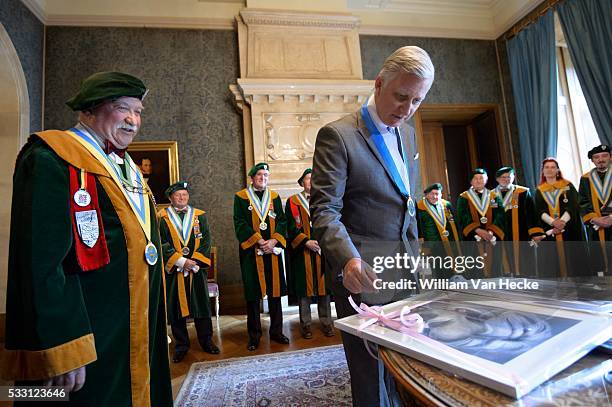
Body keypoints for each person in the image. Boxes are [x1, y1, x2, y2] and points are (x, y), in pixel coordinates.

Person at [1, 72, 172, 405]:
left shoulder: (128, 168)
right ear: (89, 110)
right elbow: (40, 262)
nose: (133, 121)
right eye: (123, 108)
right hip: (89, 330)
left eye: (138, 112)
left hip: (130, 325)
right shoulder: (51, 158)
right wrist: (64, 344)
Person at [311, 46, 434, 406]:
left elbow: (407, 205)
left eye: (417, 100)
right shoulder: (338, 135)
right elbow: (325, 210)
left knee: (410, 365)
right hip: (363, 274)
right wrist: (347, 261)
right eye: (401, 96)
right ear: (379, 84)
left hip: (406, 271)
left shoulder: (408, 134)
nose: (407, 109)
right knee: (371, 373)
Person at [159, 181, 220, 363]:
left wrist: (193, 263)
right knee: (177, 308)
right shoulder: (162, 218)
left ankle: (206, 340)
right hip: (175, 270)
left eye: (185, 194)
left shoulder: (199, 216)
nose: (182, 197)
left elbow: (206, 241)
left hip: (196, 269)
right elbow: (162, 243)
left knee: (201, 305)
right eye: (178, 195)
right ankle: (181, 345)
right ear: (171, 198)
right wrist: (181, 261)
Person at [233, 162, 290, 351]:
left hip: (272, 252)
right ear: (252, 177)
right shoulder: (241, 197)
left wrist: (273, 242)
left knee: (275, 293)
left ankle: (277, 332)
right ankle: (254, 335)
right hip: (252, 252)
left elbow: (282, 221)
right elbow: (240, 223)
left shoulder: (274, 196)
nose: (263, 178)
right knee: (253, 295)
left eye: (266, 175)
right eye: (259, 175)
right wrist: (259, 241)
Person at [285, 168, 334, 339]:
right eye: (307, 178)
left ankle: (327, 322)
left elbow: (332, 222)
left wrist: (323, 241)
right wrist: (306, 241)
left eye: (314, 178)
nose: (311, 181)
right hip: (302, 252)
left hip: (323, 251)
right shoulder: (293, 202)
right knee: (303, 290)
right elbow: (290, 227)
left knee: (324, 289)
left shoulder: (324, 201)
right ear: (302, 182)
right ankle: (305, 324)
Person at [534, 157, 587, 277]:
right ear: (542, 171)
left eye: (553, 167)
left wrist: (562, 222)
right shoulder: (539, 190)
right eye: (546, 167)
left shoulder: (567, 185)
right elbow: (539, 210)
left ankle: (581, 286)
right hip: (551, 229)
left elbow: (573, 205)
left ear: (557, 170)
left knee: (575, 258)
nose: (549, 170)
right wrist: (553, 223)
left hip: (569, 227)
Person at [494, 166, 545, 275]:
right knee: (503, 262)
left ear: (513, 178)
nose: (506, 179)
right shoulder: (491, 195)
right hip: (499, 234)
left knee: (524, 263)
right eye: (502, 177)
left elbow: (531, 214)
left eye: (509, 177)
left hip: (521, 233)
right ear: (497, 179)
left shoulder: (523, 192)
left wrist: (536, 233)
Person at [456, 168, 506, 277]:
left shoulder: (494, 196)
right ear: (471, 181)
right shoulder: (464, 197)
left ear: (486, 180)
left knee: (495, 270)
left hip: (491, 236)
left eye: (481, 178)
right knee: (476, 270)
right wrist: (478, 230)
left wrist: (491, 232)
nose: (478, 181)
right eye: (476, 178)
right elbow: (463, 216)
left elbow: (500, 215)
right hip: (473, 237)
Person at [579, 145, 612, 275]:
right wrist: (595, 219)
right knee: (601, 261)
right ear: (592, 160)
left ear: (610, 157)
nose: (600, 159)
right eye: (596, 157)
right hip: (597, 227)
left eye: (604, 156)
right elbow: (582, 201)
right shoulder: (586, 178)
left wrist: (610, 218)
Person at [416, 183, 461, 278]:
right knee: (438, 268)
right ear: (427, 195)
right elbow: (418, 227)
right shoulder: (420, 208)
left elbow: (455, 222)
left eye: (437, 194)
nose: (435, 196)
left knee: (451, 264)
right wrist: (422, 244)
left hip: (449, 241)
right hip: (433, 243)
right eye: (432, 194)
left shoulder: (446, 205)